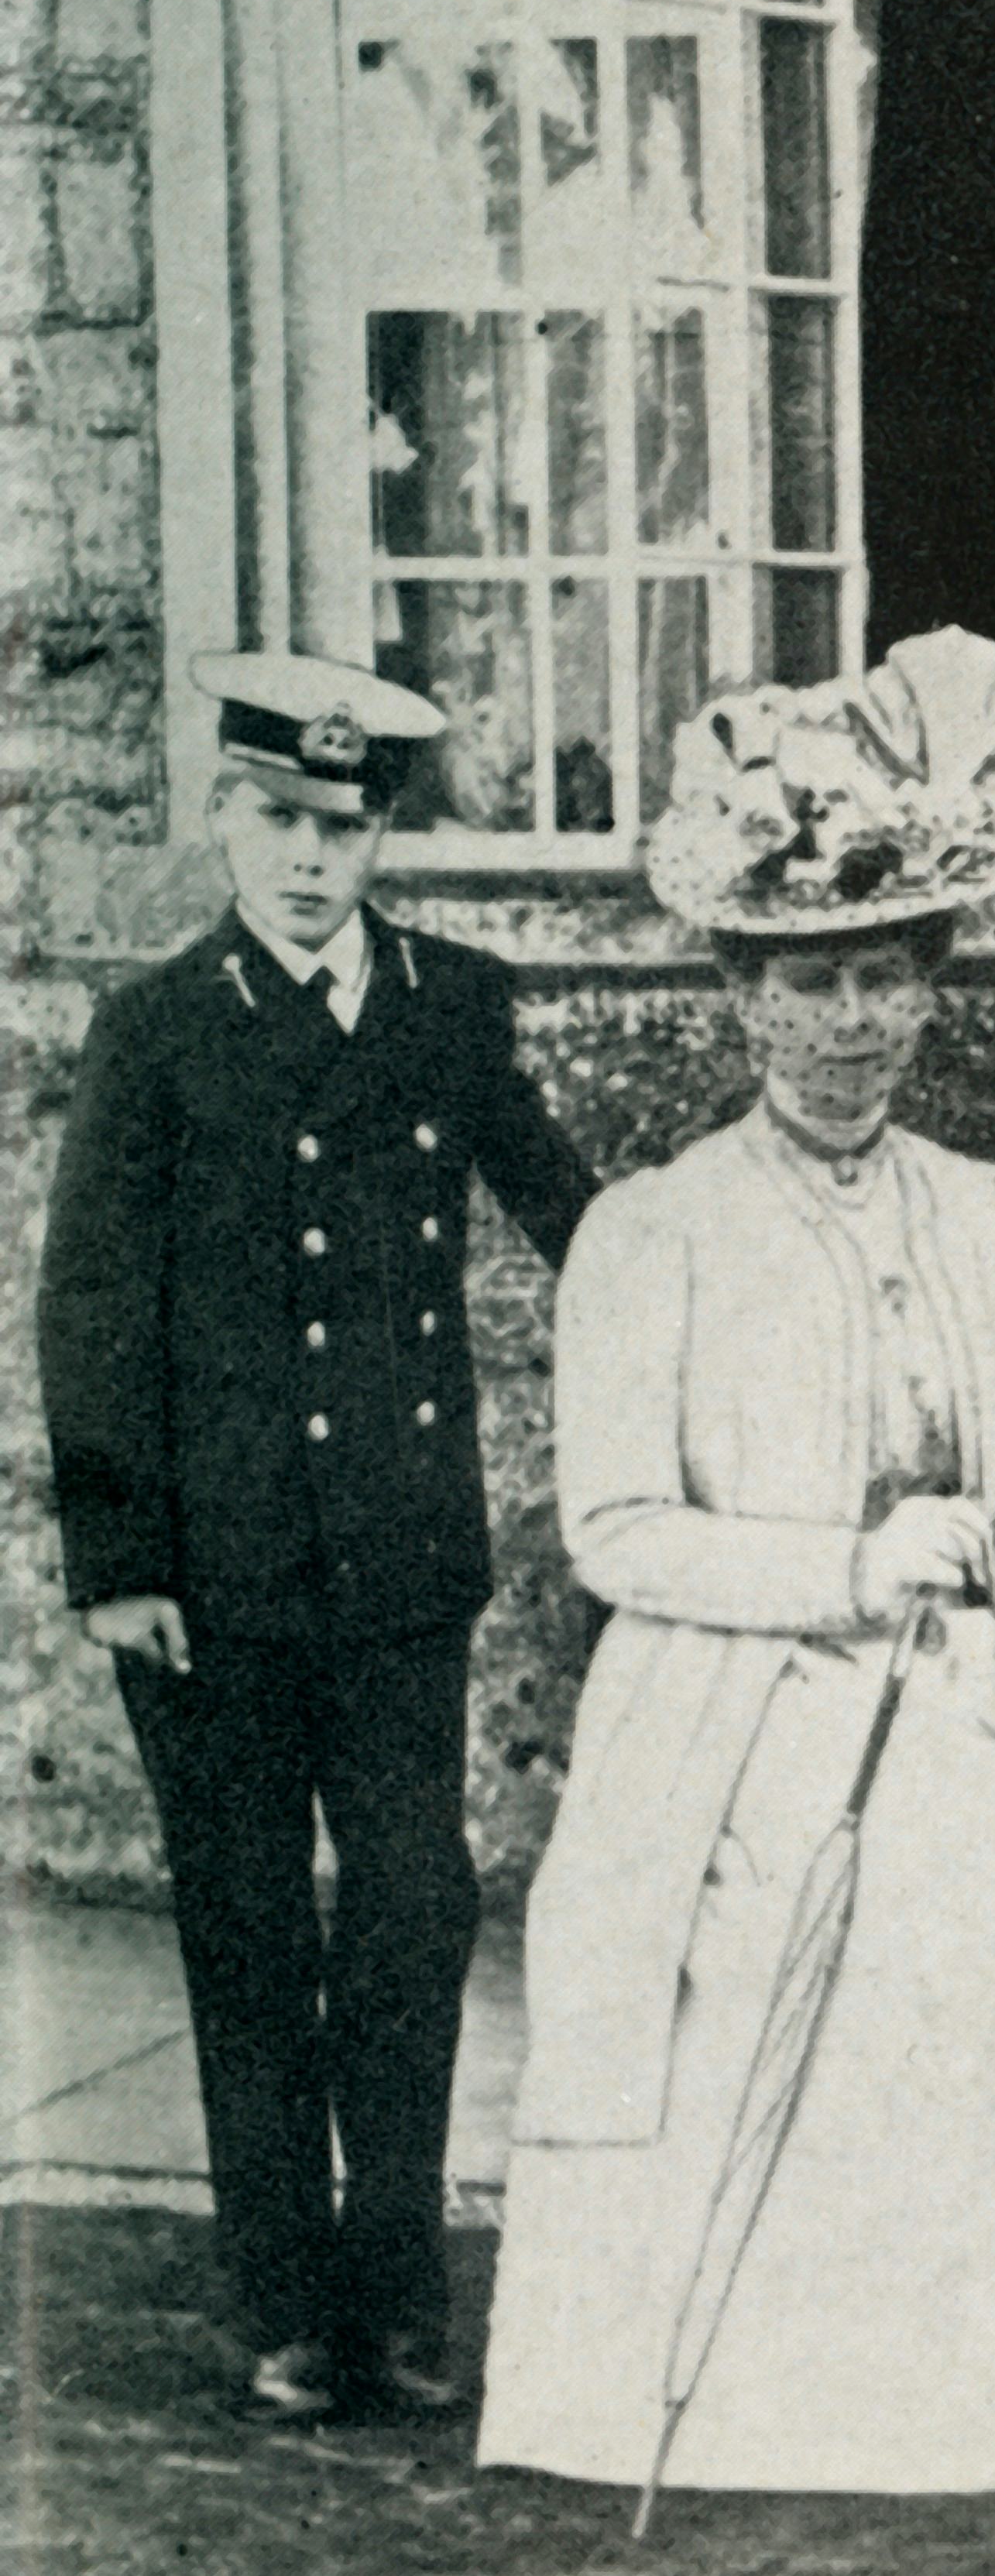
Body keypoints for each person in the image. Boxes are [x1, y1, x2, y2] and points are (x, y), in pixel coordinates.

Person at [479, 638, 995, 2495]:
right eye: (811, 982)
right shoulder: (652, 1231)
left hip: (978, 1680)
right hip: (735, 1691)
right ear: (745, 997)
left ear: (933, 995)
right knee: (869, 1932)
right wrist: (845, 1569)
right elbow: (616, 1534)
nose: (850, 1023)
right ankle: (812, 2397)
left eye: (885, 982)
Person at [36, 655, 595, 2423]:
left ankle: (402, 2292)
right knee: (254, 1930)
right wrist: (120, 1555)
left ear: (380, 837)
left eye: (339, 827)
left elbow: (582, 1221)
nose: (305, 858)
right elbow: (93, 1305)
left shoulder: (450, 1011)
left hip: (399, 1566)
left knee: (416, 1918)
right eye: (274, 817)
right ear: (221, 815)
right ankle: (287, 2300)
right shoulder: (157, 1028)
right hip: (213, 1580)